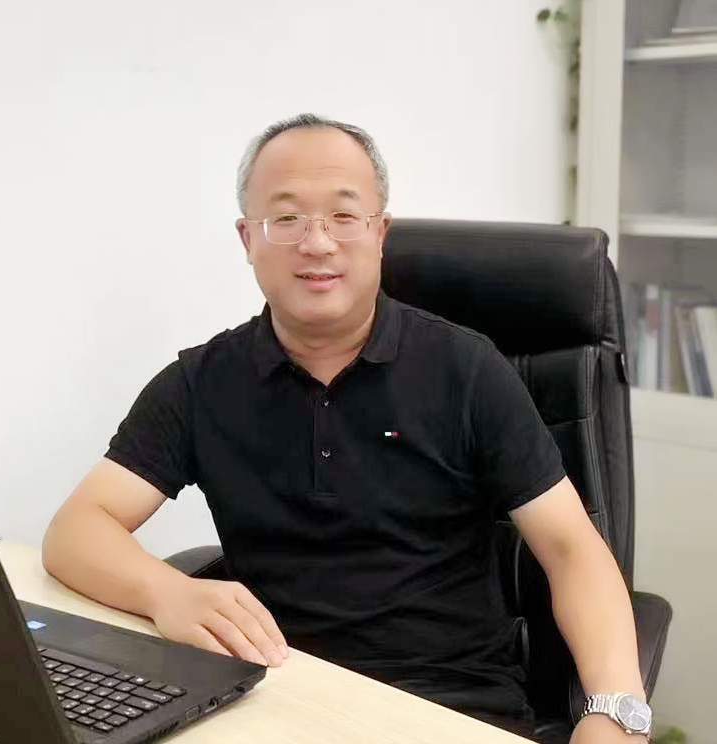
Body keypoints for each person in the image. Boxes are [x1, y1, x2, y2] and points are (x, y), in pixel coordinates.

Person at [42, 114, 647, 743]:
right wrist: (166, 593)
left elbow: (572, 550)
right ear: (248, 238)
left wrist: (617, 711)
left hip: (448, 708)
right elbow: (77, 528)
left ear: (380, 232)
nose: (318, 242)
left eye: (343, 215)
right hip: (272, 699)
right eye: (287, 218)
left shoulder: (467, 371)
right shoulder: (201, 384)